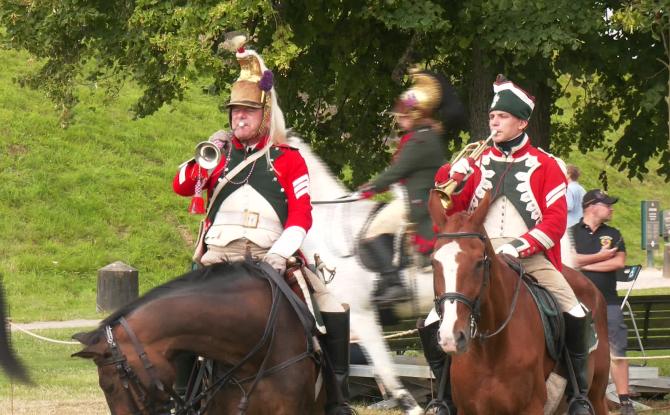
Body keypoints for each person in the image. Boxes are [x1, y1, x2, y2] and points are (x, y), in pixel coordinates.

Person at [172, 40, 354, 415]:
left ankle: (338, 400)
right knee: (179, 312)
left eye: (248, 112)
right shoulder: (217, 157)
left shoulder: (287, 160)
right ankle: (183, 399)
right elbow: (181, 186)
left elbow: (301, 216)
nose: (239, 118)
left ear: (265, 116)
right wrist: (204, 157)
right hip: (219, 256)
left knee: (331, 306)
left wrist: (279, 254)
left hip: (272, 254)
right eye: (235, 111)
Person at [426, 75, 594, 415]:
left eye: (501, 117)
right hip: (478, 256)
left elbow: (555, 221)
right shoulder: (474, 163)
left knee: (574, 310)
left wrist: (518, 246)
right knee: (433, 320)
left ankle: (578, 396)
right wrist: (454, 180)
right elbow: (452, 218)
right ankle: (442, 398)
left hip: (528, 254)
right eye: (491, 117)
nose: (494, 122)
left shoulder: (547, 165)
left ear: (521, 122)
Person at [357, 69, 466, 305]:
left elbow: (397, 172)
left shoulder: (421, 140)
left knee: (372, 231)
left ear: (416, 115)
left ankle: (394, 283)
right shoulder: (421, 136)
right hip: (412, 197)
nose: (400, 120)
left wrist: (367, 190)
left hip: (418, 203)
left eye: (404, 116)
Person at [570, 189, 636, 415]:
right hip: (577, 304)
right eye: (607, 204)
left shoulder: (613, 233)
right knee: (577, 351)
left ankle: (625, 400)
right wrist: (600, 256)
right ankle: (578, 396)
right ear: (591, 206)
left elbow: (618, 262)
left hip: (608, 303)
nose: (612, 208)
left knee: (617, 350)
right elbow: (569, 260)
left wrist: (584, 265)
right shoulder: (570, 233)